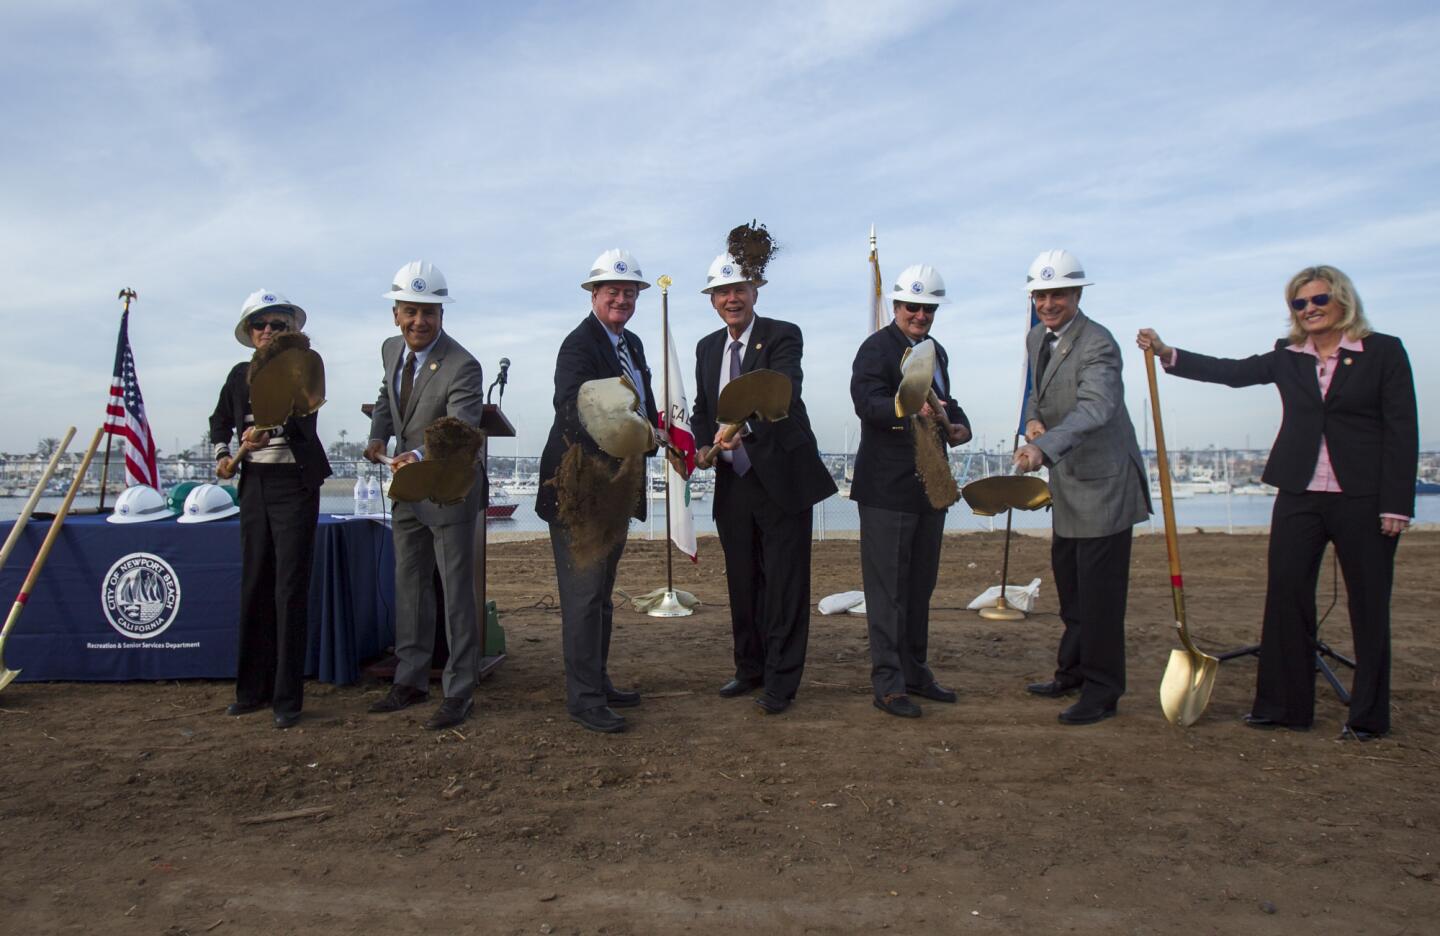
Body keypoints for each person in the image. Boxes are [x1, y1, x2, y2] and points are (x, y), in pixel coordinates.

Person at [1137, 265, 1417, 740]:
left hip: (1364, 498)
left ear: (1342, 300)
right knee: (1286, 598)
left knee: (1369, 608)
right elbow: (1233, 372)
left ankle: (1368, 717)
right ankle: (1284, 707)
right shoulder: (1288, 355)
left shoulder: (1383, 351)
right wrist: (1168, 354)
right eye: (1299, 303)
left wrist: (1397, 505)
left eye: (1318, 300)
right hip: (1299, 494)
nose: (1309, 309)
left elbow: (1402, 428)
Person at [691, 252, 837, 714]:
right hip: (733, 483)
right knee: (743, 582)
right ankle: (748, 668)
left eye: (740, 290)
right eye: (723, 292)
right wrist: (699, 444)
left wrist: (741, 432)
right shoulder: (707, 348)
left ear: (756, 293)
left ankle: (781, 682)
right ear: (712, 299)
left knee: (785, 585)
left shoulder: (782, 335)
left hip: (781, 477)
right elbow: (702, 408)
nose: (732, 299)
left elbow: (779, 391)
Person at [1013, 249, 1150, 725]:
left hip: (1104, 486)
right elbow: (1036, 388)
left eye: (1059, 294)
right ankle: (1070, 672)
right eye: (1041, 295)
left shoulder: (1099, 344)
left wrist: (1043, 448)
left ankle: (1102, 691)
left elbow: (1096, 409)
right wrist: (1032, 418)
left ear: (1076, 295)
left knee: (1100, 598)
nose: (1049, 303)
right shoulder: (1036, 337)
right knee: (1072, 589)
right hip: (1070, 485)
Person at [535, 249, 658, 733]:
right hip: (582, 488)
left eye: (629, 292)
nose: (622, 299)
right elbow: (574, 407)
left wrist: (654, 430)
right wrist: (637, 432)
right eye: (613, 291)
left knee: (603, 595)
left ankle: (598, 681)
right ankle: (583, 698)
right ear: (594, 294)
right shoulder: (578, 346)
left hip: (616, 488)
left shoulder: (634, 344)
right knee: (583, 596)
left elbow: (639, 405)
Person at [364, 260, 485, 731]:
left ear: (441, 315)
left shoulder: (463, 365)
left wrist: (413, 455)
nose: (420, 322)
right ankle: (410, 679)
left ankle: (459, 690)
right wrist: (378, 436)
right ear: (396, 313)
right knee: (409, 587)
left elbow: (461, 431)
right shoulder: (391, 349)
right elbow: (385, 398)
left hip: (448, 490)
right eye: (411, 311)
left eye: (429, 312)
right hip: (405, 490)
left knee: (456, 596)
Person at [850, 264, 972, 718]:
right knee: (888, 591)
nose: (920, 314)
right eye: (912, 307)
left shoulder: (935, 351)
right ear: (896, 306)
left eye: (928, 308)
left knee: (920, 586)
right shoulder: (875, 349)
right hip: (886, 488)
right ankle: (888, 683)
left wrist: (959, 425)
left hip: (929, 484)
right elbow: (867, 403)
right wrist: (905, 408)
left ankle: (916, 672)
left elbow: (946, 402)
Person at [210, 290, 332, 730]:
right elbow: (219, 421)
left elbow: (305, 414)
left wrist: (269, 427)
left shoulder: (305, 369)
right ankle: (250, 691)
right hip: (255, 486)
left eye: (276, 325)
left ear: (291, 332)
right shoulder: (237, 376)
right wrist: (227, 449)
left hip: (294, 486)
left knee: (289, 588)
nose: (267, 331)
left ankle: (287, 699)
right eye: (260, 325)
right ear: (249, 333)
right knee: (255, 582)